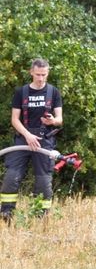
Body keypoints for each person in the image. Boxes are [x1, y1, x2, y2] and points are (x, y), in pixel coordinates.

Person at [1, 59, 63, 220]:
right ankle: (6, 213)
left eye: (44, 75)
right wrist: (27, 136)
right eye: (37, 75)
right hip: (23, 139)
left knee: (43, 179)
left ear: (48, 73)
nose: (41, 78)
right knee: (11, 176)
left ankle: (41, 215)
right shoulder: (21, 92)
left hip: (44, 141)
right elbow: (14, 120)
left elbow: (60, 119)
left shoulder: (53, 92)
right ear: (31, 72)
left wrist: (52, 121)